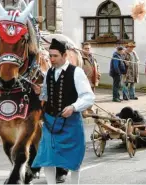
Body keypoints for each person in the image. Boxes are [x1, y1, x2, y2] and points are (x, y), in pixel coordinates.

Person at [32, 38, 95, 184]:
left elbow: (88, 97)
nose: (52, 59)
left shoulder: (76, 72)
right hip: (50, 122)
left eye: (55, 56)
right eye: (50, 56)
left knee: (73, 157)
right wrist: (40, 92)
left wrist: (74, 107)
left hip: (71, 122)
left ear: (64, 55)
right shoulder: (49, 73)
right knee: (48, 158)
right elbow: (47, 96)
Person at [81, 42, 101, 114]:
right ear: (82, 49)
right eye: (85, 48)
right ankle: (84, 111)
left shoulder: (92, 57)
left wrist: (98, 74)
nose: (87, 50)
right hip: (85, 81)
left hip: (93, 80)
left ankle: (90, 110)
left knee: (92, 96)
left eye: (88, 48)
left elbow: (97, 66)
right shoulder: (80, 58)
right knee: (84, 97)